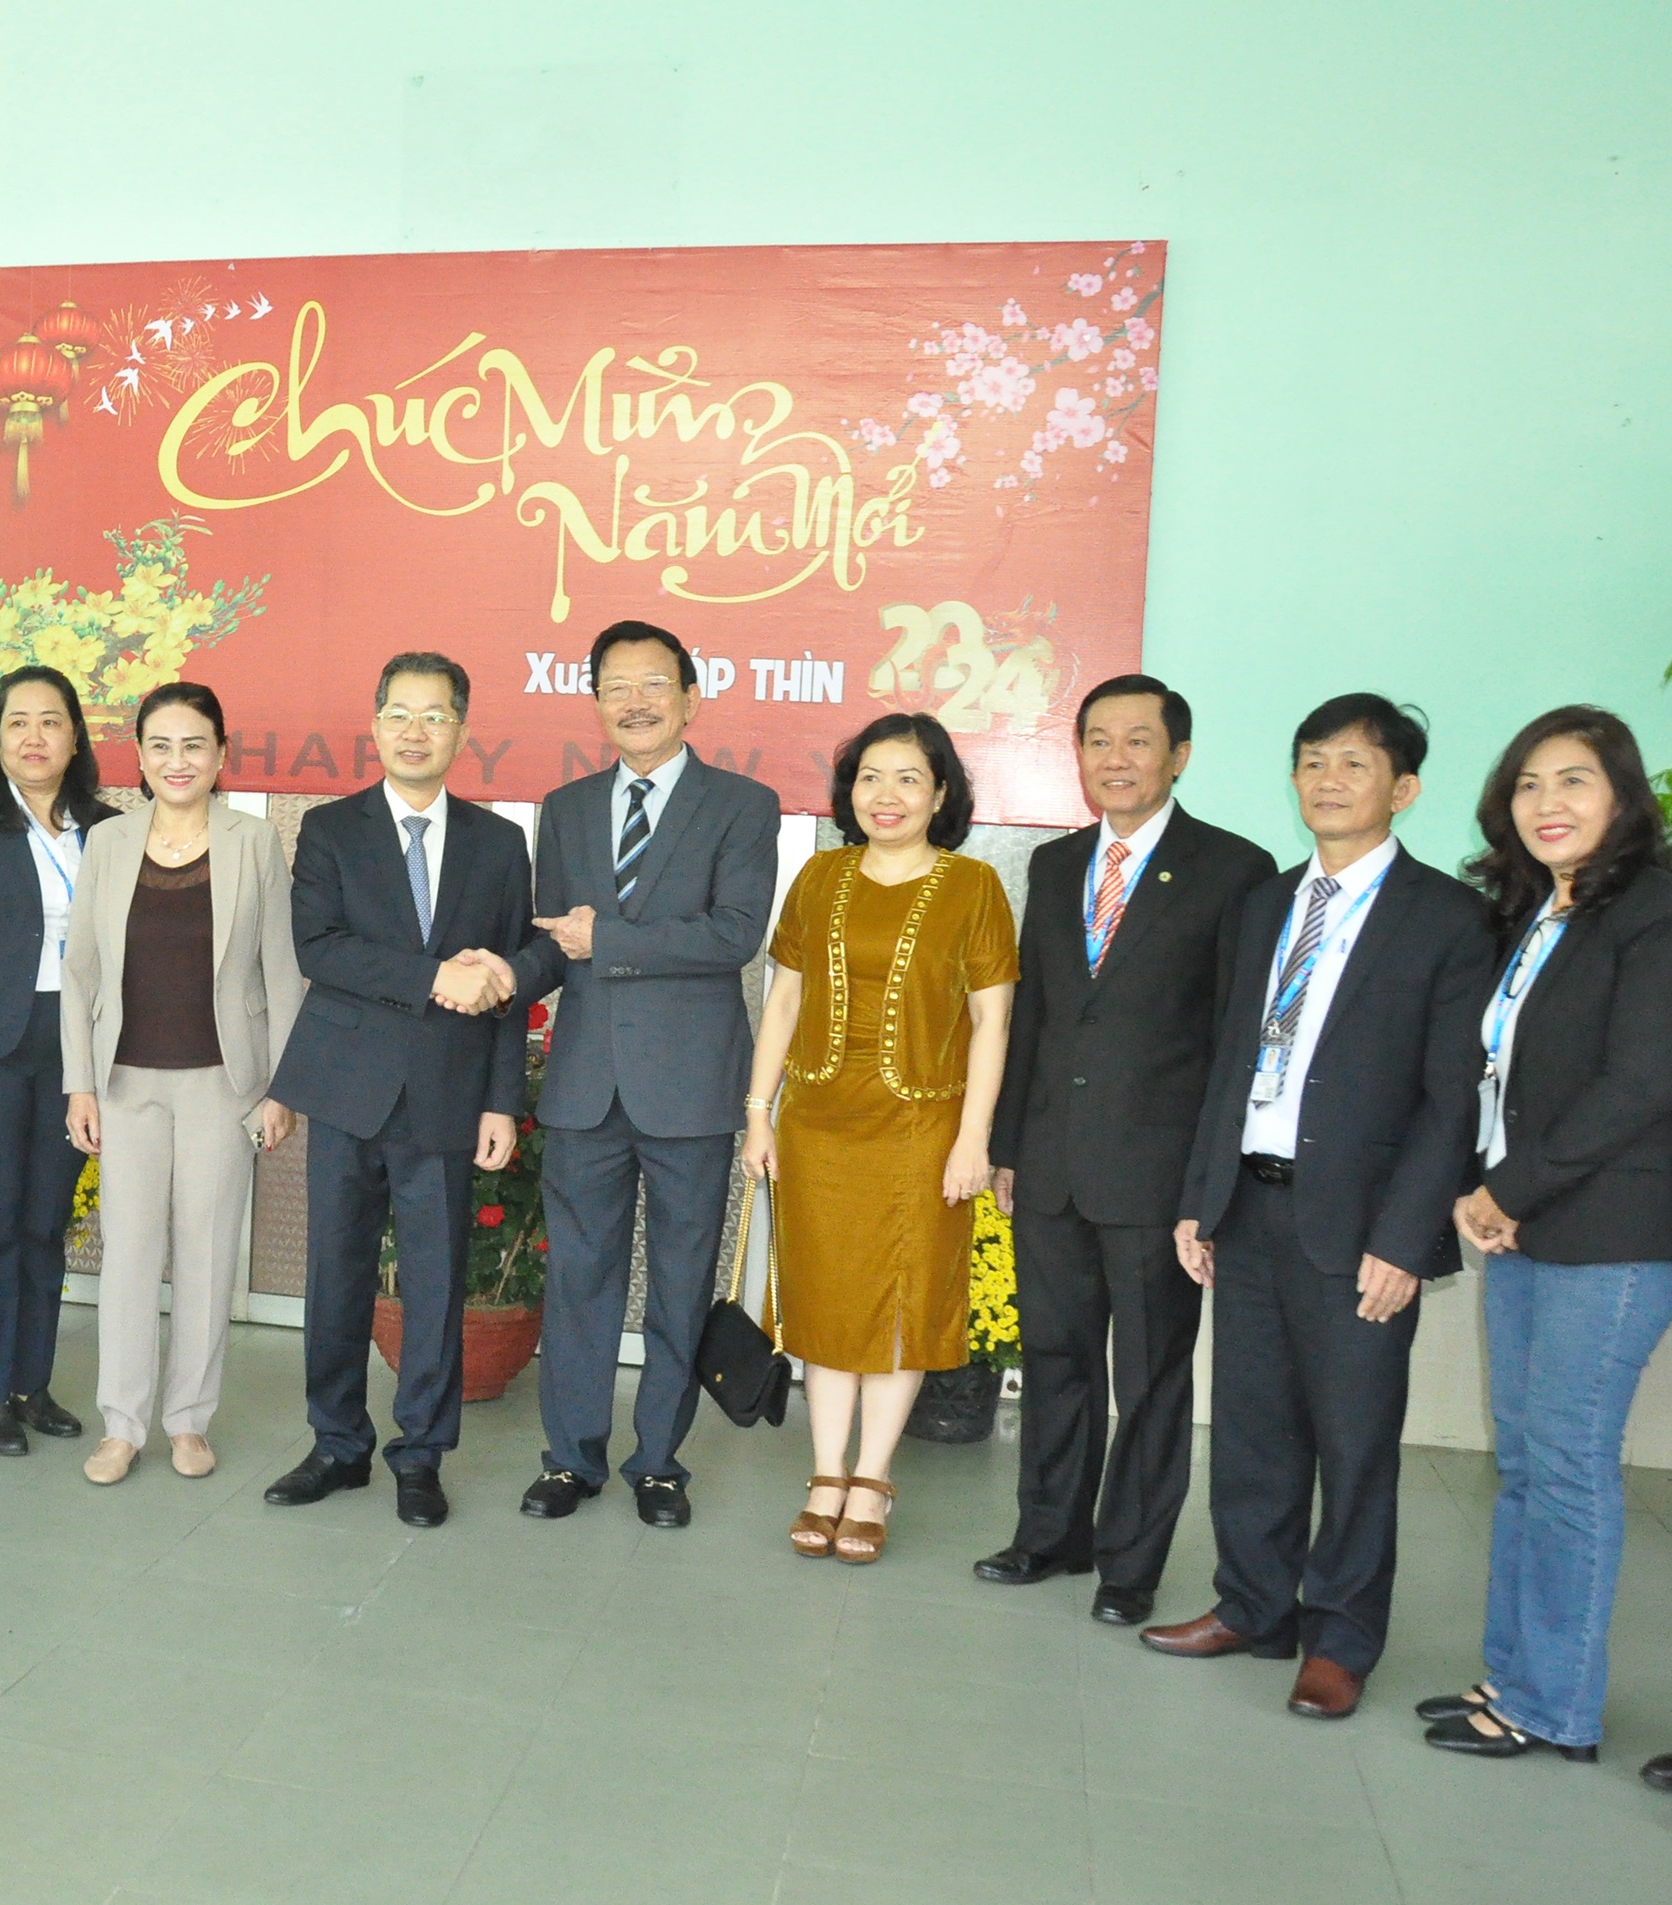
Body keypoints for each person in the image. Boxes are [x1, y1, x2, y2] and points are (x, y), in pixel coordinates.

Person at [1143, 694, 1488, 1722]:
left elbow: (1449, 1100)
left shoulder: (1449, 919)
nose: (1328, 780)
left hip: (1361, 1229)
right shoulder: (1265, 906)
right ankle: (1252, 1604)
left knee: (1355, 1441)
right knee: (1252, 1431)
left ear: (1404, 788)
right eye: (1311, 762)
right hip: (1249, 1207)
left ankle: (1340, 1640)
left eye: (1353, 763)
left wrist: (1405, 1239)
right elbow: (1231, 1063)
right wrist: (1200, 1198)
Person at [1420, 708, 1672, 1761]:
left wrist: (1512, 1188)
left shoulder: (1661, 917)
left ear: (1623, 800)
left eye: (1575, 782)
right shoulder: (1540, 917)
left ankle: (1555, 1709)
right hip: (1532, 1226)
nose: (1549, 803)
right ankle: (1518, 1679)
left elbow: (1637, 1084)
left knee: (1570, 1468)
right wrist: (1497, 1191)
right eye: (1531, 784)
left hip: (1613, 1230)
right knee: (1531, 1465)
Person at [976, 675, 1273, 1623]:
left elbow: (1236, 1040)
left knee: (1148, 1377)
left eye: (1138, 741)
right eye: (1099, 739)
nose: (1117, 758)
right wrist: (1008, 1142)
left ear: (1177, 755)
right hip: (1053, 1163)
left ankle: (1129, 1565)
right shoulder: (1057, 866)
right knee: (1055, 1357)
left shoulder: (1235, 868)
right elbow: (1037, 1019)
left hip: (1158, 1175)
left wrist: (1208, 1184)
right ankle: (1048, 1533)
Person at [503, 620, 778, 1530]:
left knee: (679, 1277)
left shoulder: (743, 803)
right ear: (595, 703)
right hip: (586, 1082)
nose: (635, 702)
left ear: (690, 698)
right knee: (579, 1279)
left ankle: (660, 1461)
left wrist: (606, 940)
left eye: (653, 684)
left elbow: (734, 935)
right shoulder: (567, 805)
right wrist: (501, 972)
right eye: (615, 687)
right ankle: (570, 1457)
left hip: (691, 1085)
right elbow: (556, 944)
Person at [263, 651, 534, 1529]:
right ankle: (337, 1443)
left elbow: (502, 992)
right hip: (347, 1088)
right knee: (334, 1276)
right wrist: (431, 978)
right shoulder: (331, 830)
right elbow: (321, 950)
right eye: (400, 714)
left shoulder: (500, 844)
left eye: (436, 715)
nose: (417, 731)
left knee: (436, 1277)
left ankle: (421, 1452)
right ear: (375, 724)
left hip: (451, 1095)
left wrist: (501, 1100)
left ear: (462, 729)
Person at [742, 712, 1015, 1565]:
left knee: (900, 1305)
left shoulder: (974, 888)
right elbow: (781, 1000)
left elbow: (991, 1022)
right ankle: (825, 1475)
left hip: (921, 1127)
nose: (884, 795)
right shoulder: (820, 877)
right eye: (868, 777)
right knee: (824, 1302)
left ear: (941, 793)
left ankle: (873, 1477)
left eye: (906, 778)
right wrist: (758, 1109)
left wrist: (974, 1138)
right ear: (847, 791)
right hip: (818, 1124)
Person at [63, 682, 302, 1484]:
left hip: (222, 1082)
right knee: (129, 1252)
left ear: (221, 755)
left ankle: (189, 1420)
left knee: (205, 1254)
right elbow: (80, 974)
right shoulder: (108, 843)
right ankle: (123, 1424)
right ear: (139, 754)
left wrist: (282, 1086)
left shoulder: (252, 841)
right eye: (161, 744)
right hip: (125, 1080)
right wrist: (80, 1084)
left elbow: (281, 968)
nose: (178, 760)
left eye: (194, 744)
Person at [0, 665, 115, 1457]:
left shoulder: (106, 828)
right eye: (17, 723)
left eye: (50, 722)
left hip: (76, 1046)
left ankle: (31, 1382)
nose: (34, 737)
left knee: (45, 1222)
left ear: (76, 736)